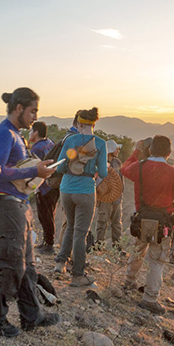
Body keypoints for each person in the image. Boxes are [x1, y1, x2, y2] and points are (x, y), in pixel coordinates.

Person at [0, 89, 59, 337]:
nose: (36, 116)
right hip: (3, 204)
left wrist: (37, 171)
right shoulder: (4, 133)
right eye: (33, 110)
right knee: (12, 266)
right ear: (19, 109)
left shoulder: (16, 134)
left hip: (19, 204)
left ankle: (32, 316)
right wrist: (33, 170)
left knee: (28, 266)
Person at [121, 135, 174, 315]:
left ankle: (129, 281)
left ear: (150, 150)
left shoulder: (139, 167)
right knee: (157, 260)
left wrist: (136, 150)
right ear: (168, 153)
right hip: (162, 223)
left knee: (138, 249)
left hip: (141, 220)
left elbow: (124, 168)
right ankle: (150, 298)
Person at [53, 107, 108, 287]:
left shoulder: (70, 140)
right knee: (80, 233)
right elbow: (104, 173)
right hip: (85, 191)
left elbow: (60, 167)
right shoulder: (100, 143)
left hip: (66, 189)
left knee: (69, 225)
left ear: (78, 122)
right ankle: (77, 275)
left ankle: (60, 263)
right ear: (94, 123)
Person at [29, 121, 58, 254]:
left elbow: (32, 168)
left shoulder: (36, 149)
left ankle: (49, 245)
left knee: (44, 215)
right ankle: (47, 241)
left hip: (43, 186)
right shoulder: (50, 143)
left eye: (30, 131)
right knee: (50, 214)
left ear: (35, 133)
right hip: (53, 184)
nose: (29, 133)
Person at [94, 139, 124, 248]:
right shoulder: (100, 162)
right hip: (105, 197)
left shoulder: (117, 163)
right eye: (116, 149)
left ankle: (117, 246)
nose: (118, 151)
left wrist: (119, 194)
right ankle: (99, 245)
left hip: (116, 198)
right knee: (102, 221)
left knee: (116, 223)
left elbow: (120, 181)